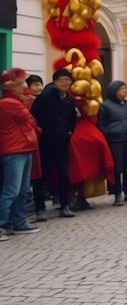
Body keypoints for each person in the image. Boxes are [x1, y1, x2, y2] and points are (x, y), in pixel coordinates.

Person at [0, 68, 41, 239]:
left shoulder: (15, 100)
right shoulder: (10, 103)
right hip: (14, 149)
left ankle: (19, 222)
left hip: (23, 147)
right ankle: (2, 224)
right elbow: (30, 119)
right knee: (12, 190)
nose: (25, 85)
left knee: (22, 189)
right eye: (21, 82)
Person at [31, 69, 77, 218]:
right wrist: (41, 133)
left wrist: (69, 132)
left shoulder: (70, 99)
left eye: (67, 80)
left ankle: (64, 206)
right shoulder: (44, 98)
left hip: (62, 144)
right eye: (61, 80)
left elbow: (72, 119)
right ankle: (40, 209)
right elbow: (34, 117)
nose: (64, 83)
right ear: (55, 82)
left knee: (64, 175)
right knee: (42, 176)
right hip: (45, 143)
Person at [97, 81, 127, 205]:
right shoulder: (105, 106)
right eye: (121, 89)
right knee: (117, 168)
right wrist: (109, 133)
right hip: (115, 141)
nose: (125, 91)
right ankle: (117, 193)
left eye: (125, 88)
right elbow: (100, 123)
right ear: (114, 91)